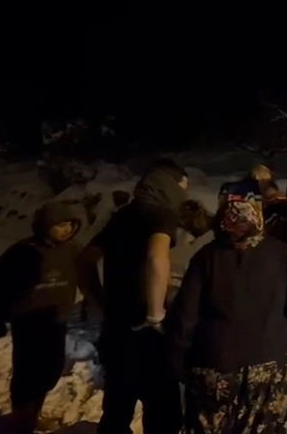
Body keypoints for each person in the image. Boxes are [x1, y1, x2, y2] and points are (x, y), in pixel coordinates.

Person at [164, 184, 287, 434]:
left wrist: (177, 357)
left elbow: (185, 315)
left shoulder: (206, 257)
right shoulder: (281, 252)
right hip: (270, 366)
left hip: (215, 367)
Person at [75, 158, 189, 434]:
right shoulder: (161, 214)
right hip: (147, 336)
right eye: (182, 189)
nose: (183, 197)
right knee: (163, 416)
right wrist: (155, 315)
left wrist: (99, 304)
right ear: (168, 186)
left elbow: (84, 260)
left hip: (116, 331)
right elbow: (156, 257)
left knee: (116, 412)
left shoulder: (124, 215)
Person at [0, 200, 84, 434]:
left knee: (51, 371)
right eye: (60, 224)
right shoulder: (22, 252)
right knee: (27, 376)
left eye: (71, 224)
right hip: (28, 323)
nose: (67, 229)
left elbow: (86, 276)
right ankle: (22, 420)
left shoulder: (73, 250)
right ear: (45, 224)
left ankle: (33, 413)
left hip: (56, 321)